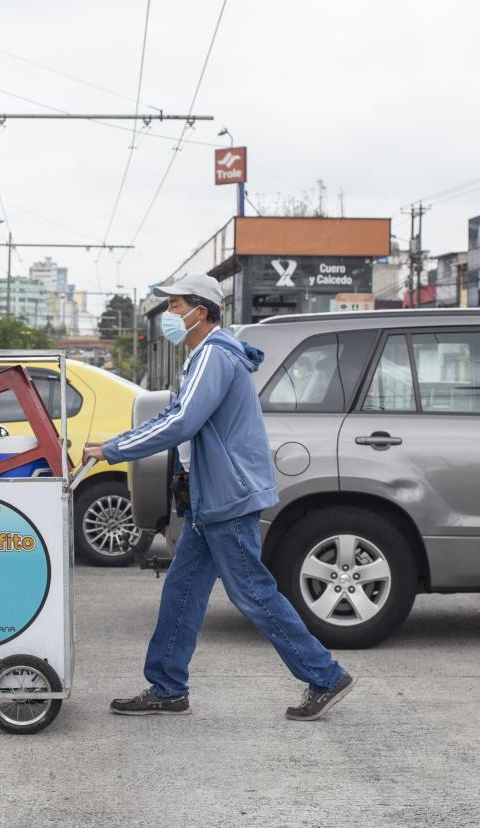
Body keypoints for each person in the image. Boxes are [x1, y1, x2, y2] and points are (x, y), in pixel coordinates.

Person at [83, 273, 355, 722]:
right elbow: (175, 414)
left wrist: (114, 450)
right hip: (205, 500)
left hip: (226, 498)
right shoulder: (203, 356)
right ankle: (168, 687)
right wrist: (116, 442)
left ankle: (324, 675)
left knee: (252, 593)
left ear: (200, 311)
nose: (168, 315)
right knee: (182, 593)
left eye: (174, 306)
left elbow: (182, 423)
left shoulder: (213, 355)